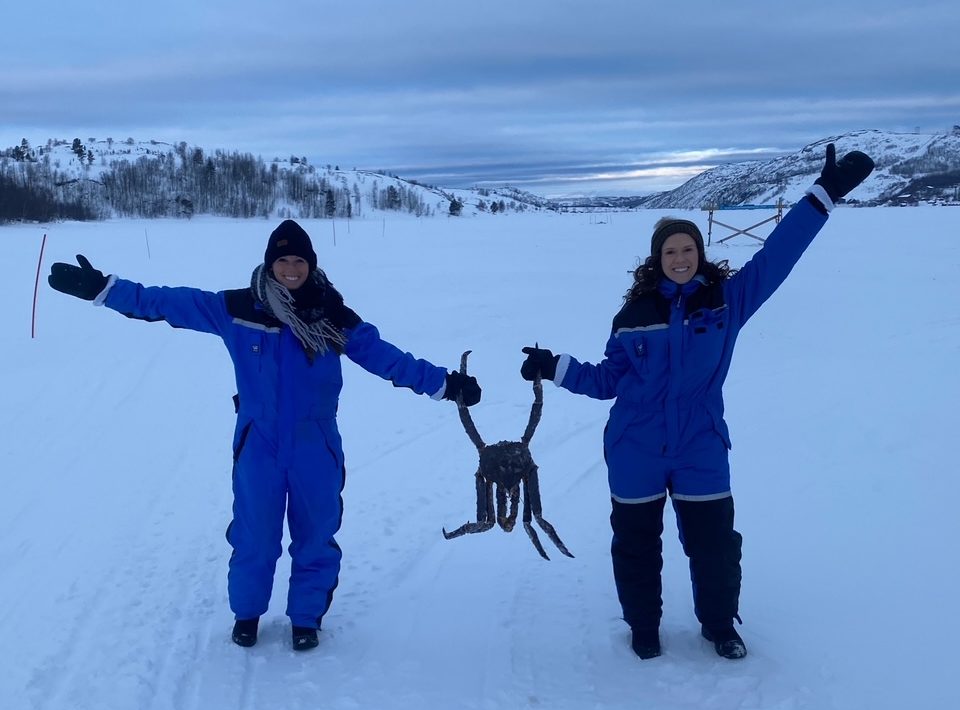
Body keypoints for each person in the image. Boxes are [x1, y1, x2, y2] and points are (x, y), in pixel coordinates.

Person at [47, 219, 481, 651]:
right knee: (255, 534)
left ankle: (306, 619)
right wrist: (106, 289)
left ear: (311, 265)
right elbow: (168, 302)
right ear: (269, 264)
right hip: (259, 443)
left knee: (315, 533)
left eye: (299, 261)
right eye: (282, 260)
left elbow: (388, 359)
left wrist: (446, 384)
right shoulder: (237, 309)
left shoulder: (334, 317)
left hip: (316, 444)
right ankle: (247, 613)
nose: (291, 269)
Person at [519, 144, 874, 660]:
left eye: (688, 249)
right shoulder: (634, 314)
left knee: (715, 546)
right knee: (637, 544)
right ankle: (643, 627)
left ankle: (719, 626)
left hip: (700, 443)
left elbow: (780, 253)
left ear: (699, 254)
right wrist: (554, 366)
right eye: (670, 252)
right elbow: (606, 380)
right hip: (635, 445)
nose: (680, 258)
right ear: (657, 258)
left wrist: (823, 196)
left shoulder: (727, 301)